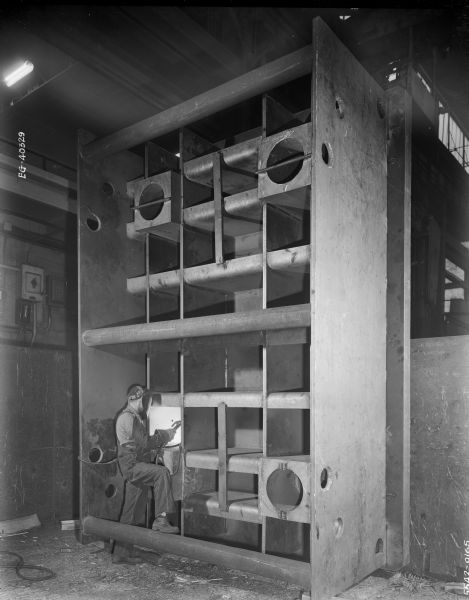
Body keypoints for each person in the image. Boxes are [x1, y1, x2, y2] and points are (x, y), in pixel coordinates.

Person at [112, 383, 181, 565]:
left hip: (136, 465)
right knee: (161, 473)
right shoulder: (128, 417)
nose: (146, 403)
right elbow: (144, 443)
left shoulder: (133, 417)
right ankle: (161, 519)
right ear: (134, 399)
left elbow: (141, 444)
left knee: (131, 514)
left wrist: (166, 435)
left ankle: (121, 553)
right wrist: (166, 434)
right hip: (133, 466)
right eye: (144, 399)